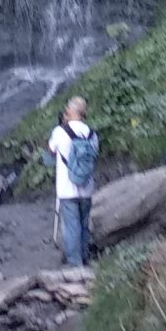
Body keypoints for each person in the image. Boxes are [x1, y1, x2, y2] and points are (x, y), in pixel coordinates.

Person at [47, 95, 99, 267]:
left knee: (71, 226)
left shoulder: (60, 132)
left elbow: (51, 151)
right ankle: (84, 257)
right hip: (86, 186)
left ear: (70, 111)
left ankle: (74, 262)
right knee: (84, 224)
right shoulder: (92, 134)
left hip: (67, 187)